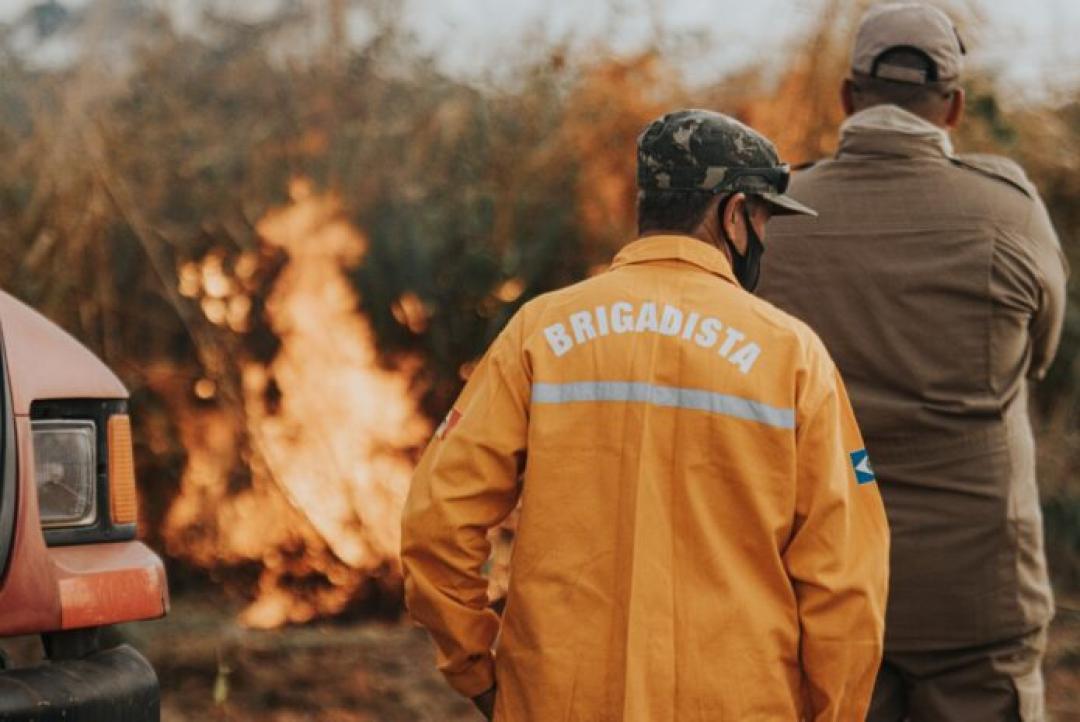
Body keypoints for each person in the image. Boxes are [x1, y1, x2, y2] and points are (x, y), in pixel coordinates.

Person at [401, 108, 889, 722]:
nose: (763, 237)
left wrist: (475, 669)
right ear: (733, 214)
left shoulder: (540, 330)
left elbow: (436, 524)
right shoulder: (791, 354)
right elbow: (846, 578)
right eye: (764, 219)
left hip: (559, 702)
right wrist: (835, 713)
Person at [758, 4, 1068, 721]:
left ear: (848, 96)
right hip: (976, 588)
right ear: (953, 107)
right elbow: (1040, 358)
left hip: (821, 576)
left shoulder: (774, 217)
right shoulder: (1009, 214)